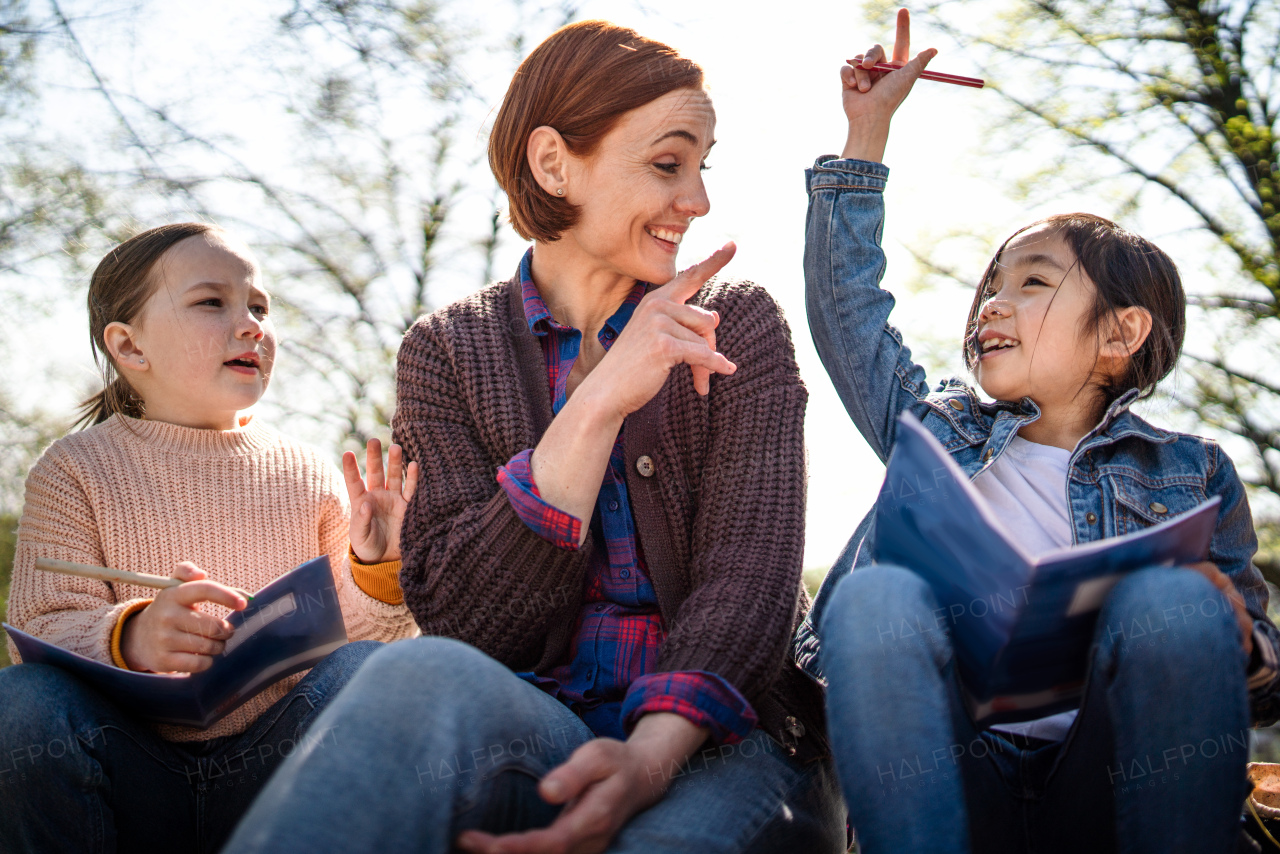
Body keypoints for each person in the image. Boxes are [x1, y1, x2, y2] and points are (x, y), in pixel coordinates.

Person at [222, 20, 845, 854]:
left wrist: (645, 762)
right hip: (534, 729)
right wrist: (596, 408)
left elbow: (750, 587)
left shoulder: (738, 323)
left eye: (703, 166)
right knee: (409, 672)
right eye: (668, 164)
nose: (697, 200)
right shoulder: (446, 348)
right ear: (555, 163)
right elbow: (466, 622)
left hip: (719, 744)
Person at [795, 10, 1279, 854]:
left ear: (1121, 336)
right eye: (991, 284)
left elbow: (1264, 680)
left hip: (1111, 786)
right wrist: (867, 129)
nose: (993, 301)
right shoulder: (935, 428)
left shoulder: (1190, 472)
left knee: (1173, 598)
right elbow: (849, 312)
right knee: (876, 598)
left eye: (1033, 282)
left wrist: (1236, 638)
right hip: (952, 779)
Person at [0, 222, 421, 852]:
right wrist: (133, 635)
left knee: (368, 671)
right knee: (24, 703)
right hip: (129, 769)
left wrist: (378, 569)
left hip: (279, 774)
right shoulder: (73, 469)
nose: (252, 324)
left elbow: (361, 640)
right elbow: (39, 630)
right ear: (129, 346)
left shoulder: (309, 472)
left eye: (259, 306)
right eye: (211, 302)